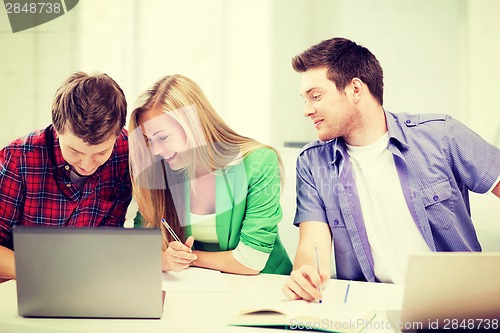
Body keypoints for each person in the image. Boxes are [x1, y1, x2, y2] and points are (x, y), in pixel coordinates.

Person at [282, 37, 500, 302]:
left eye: (315, 96)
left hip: (459, 306)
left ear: (355, 90)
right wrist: (306, 276)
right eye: (304, 100)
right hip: (369, 312)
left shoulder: (442, 136)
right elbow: (312, 250)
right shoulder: (312, 163)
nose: (306, 110)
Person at [128, 74, 292, 275]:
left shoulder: (259, 162)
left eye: (162, 137)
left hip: (266, 287)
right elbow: (139, 248)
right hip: (201, 288)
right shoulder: (163, 170)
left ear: (193, 125)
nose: (155, 150)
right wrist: (165, 259)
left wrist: (188, 258)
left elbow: (251, 259)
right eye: (148, 140)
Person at [0, 72, 132, 282]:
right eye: (75, 152)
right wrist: (44, 272)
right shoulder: (18, 159)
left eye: (100, 153)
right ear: (57, 128)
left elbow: (109, 238)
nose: (87, 165)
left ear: (117, 134)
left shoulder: (126, 151)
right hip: (20, 285)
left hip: (88, 282)